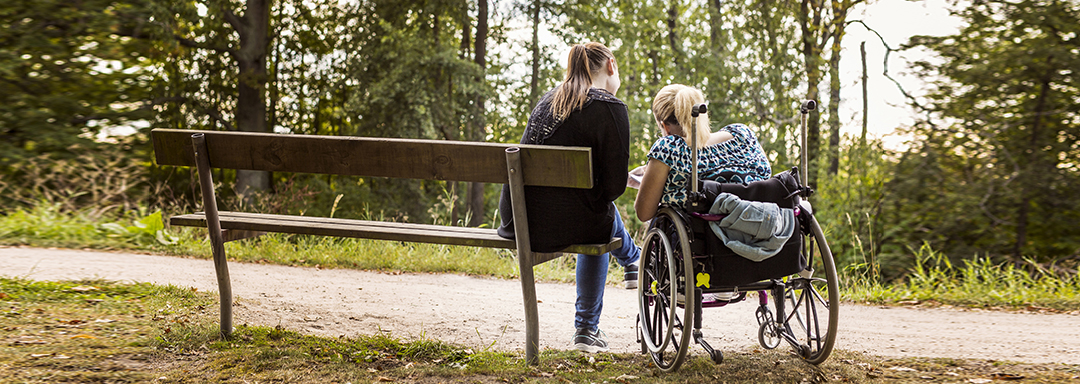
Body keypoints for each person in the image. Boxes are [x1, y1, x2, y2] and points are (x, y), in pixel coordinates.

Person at [496, 42, 640, 354]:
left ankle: (633, 261)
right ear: (611, 66)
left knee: (596, 214)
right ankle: (590, 325)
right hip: (570, 226)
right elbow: (612, 190)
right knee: (599, 217)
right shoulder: (610, 107)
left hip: (519, 222)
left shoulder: (549, 99)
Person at [633, 84, 772, 219]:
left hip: (705, 237)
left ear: (665, 127)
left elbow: (644, 213)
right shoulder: (743, 134)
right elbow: (765, 176)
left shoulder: (669, 148)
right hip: (762, 229)